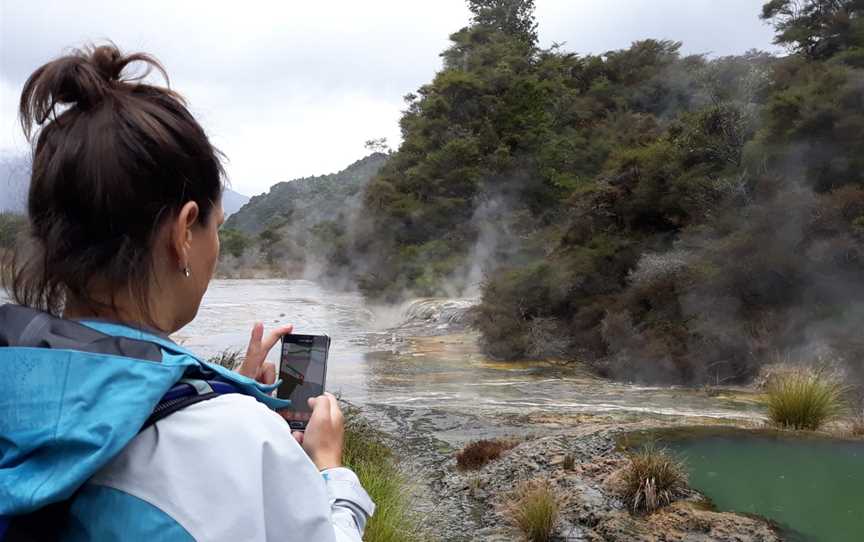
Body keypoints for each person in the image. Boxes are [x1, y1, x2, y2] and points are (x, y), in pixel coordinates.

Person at [0, 44, 374, 541]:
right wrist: (329, 471)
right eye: (215, 226)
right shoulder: (240, 441)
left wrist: (213, 390)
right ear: (183, 233)